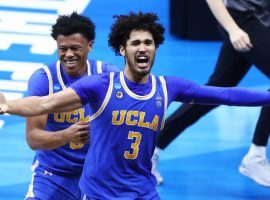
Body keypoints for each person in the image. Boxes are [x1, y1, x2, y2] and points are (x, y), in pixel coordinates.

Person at [1, 12, 270, 199]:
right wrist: (8, 106)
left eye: (148, 43)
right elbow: (44, 103)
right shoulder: (100, 85)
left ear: (155, 49)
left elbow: (224, 94)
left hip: (142, 190)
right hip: (98, 192)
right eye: (135, 43)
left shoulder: (167, 87)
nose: (142, 48)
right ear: (122, 49)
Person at [152, 0, 270, 186]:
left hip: (261, 21)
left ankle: (151, 147)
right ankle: (256, 155)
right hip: (241, 22)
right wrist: (233, 29)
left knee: (216, 90)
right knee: (216, 89)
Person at [23, 12, 119, 200]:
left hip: (98, 174)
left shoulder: (108, 76)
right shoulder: (44, 80)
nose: (68, 55)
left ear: (90, 46)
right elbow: (33, 139)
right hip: (52, 173)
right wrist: (68, 135)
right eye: (63, 49)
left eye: (75, 48)